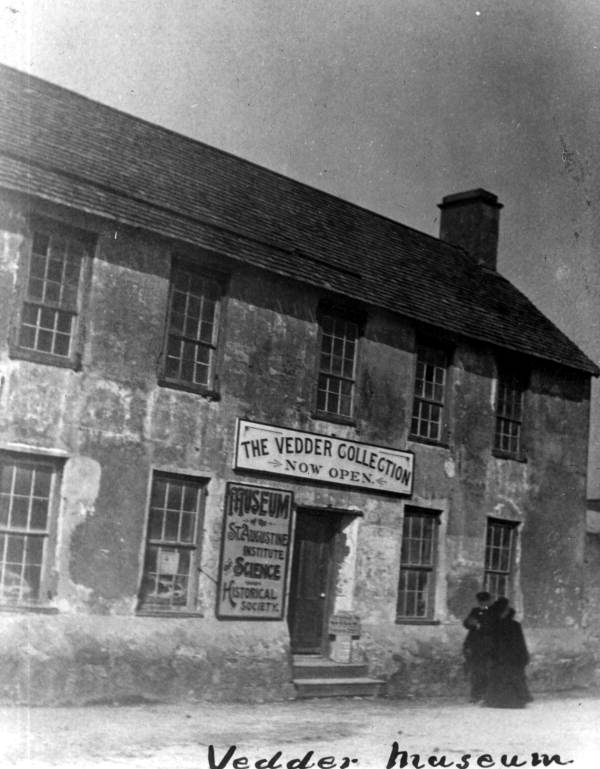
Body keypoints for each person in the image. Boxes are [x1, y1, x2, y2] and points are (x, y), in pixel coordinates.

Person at [484, 597, 533, 708]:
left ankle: (497, 701)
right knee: (513, 677)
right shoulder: (514, 625)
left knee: (500, 677)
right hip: (512, 657)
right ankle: (515, 700)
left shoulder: (494, 625)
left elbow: (491, 642)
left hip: (500, 657)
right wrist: (523, 656)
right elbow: (520, 643)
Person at [462, 590, 492, 702]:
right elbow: (466, 624)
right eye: (480, 602)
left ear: (489, 601)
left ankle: (486, 695)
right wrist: (470, 623)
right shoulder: (475, 611)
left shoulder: (493, 612)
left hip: (488, 646)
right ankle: (475, 695)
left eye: (484, 602)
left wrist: (480, 626)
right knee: (475, 671)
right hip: (474, 645)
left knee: (487, 671)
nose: (482, 604)